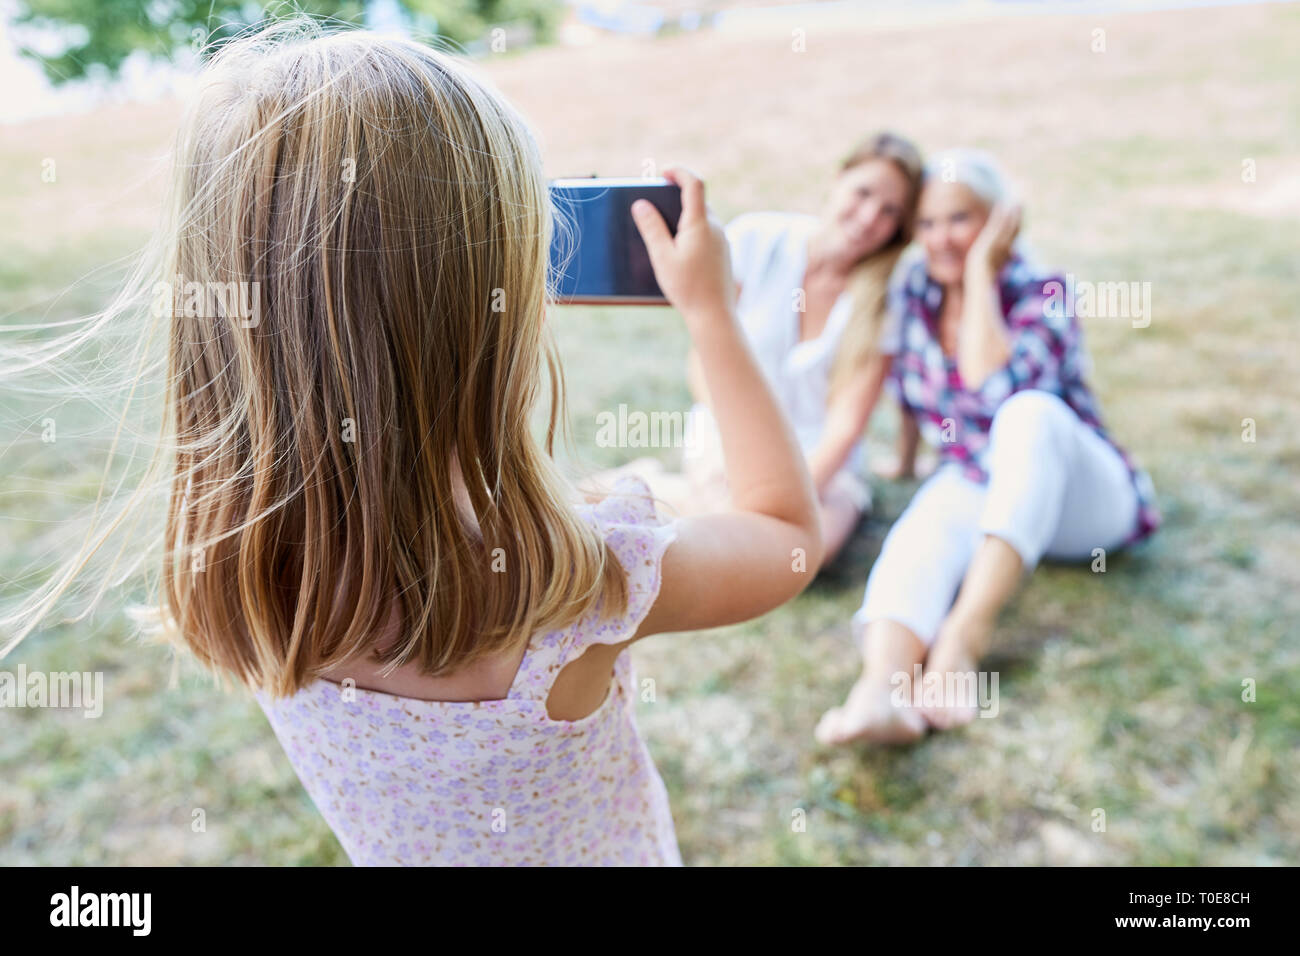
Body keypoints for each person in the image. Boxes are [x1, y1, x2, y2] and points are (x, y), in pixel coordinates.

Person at [5, 22, 823, 864]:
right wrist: (715, 319)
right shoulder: (583, 580)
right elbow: (787, 533)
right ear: (492, 310)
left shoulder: (231, 573)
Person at [815, 149, 1161, 746]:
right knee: (920, 533)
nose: (942, 238)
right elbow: (912, 390)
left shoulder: (1041, 289)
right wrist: (902, 459)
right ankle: (880, 693)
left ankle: (961, 641)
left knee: (1028, 415)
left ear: (1001, 222)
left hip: (1084, 506)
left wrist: (979, 276)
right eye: (926, 224)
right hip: (984, 485)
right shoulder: (918, 291)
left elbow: (990, 386)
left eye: (960, 219)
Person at [596, 133, 923, 565]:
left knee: (802, 554)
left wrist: (789, 499)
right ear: (839, 178)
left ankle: (659, 495)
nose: (868, 218)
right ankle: (685, 500)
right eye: (863, 193)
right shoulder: (757, 238)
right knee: (751, 541)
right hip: (729, 431)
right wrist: (737, 455)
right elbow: (704, 356)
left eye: (889, 212)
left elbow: (846, 425)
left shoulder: (884, 298)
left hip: (817, 459)